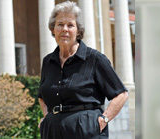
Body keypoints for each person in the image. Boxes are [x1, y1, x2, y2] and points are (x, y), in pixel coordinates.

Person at [38, 1, 129, 139]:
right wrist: (47, 117)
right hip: (52, 131)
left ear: (78, 31)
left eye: (70, 25)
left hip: (85, 130)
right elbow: (41, 96)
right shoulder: (48, 61)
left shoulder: (95, 58)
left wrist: (104, 119)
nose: (65, 29)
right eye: (60, 24)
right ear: (53, 29)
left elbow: (121, 94)